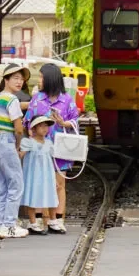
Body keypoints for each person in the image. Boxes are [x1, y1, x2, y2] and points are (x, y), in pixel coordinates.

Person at [24, 63, 79, 234]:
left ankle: (58, 219)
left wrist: (63, 123)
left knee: (59, 184)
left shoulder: (67, 100)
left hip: (61, 148)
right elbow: (27, 121)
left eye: (41, 77)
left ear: (50, 79)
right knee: (40, 181)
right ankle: (40, 219)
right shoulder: (37, 99)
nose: (39, 80)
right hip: (40, 149)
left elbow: (76, 120)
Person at [0, 62, 29, 238]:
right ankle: (10, 225)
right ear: (6, 79)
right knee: (16, 184)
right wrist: (18, 145)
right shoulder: (12, 100)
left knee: (2, 187)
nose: (19, 82)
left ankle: (0, 226)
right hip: (6, 141)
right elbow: (18, 128)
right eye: (16, 78)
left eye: (21, 79)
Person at [20, 115, 59, 233]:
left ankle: (53, 220)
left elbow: (53, 159)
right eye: (41, 126)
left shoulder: (49, 143)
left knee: (51, 195)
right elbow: (21, 155)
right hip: (33, 175)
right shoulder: (28, 142)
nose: (44, 129)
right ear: (33, 128)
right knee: (32, 195)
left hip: (47, 174)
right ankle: (33, 222)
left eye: (46, 126)